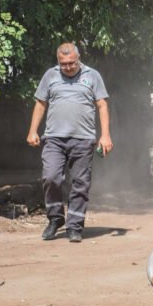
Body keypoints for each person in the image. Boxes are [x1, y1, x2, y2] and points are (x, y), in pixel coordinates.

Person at [26, 43, 112, 243]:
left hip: (83, 139)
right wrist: (32, 131)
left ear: (78, 58)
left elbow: (102, 104)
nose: (68, 67)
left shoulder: (92, 76)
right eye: (63, 64)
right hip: (54, 138)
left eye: (71, 63)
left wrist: (105, 135)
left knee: (80, 183)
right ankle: (55, 219)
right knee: (51, 177)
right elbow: (41, 103)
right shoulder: (50, 75)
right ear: (58, 61)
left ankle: (74, 226)